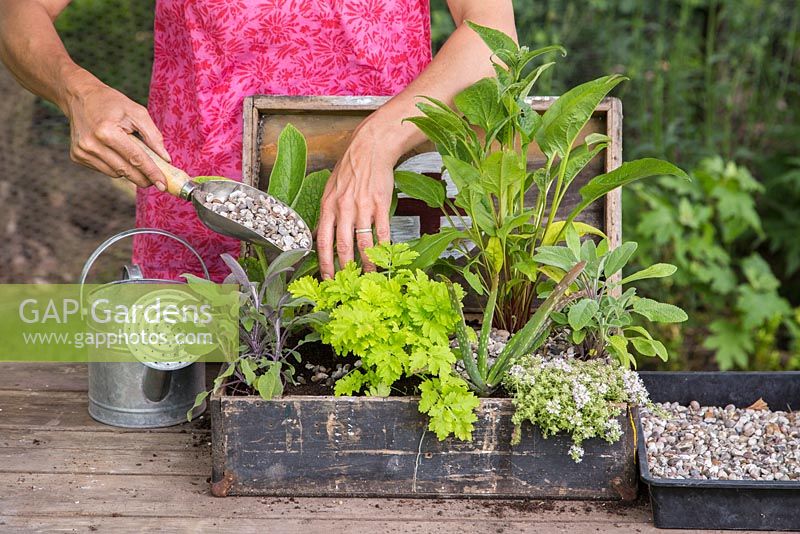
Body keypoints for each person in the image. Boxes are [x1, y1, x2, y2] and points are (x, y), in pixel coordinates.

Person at [0, 0, 515, 281]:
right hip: (198, 224)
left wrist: (377, 140)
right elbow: (16, 13)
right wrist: (78, 92)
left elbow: (491, 39)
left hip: (373, 217)